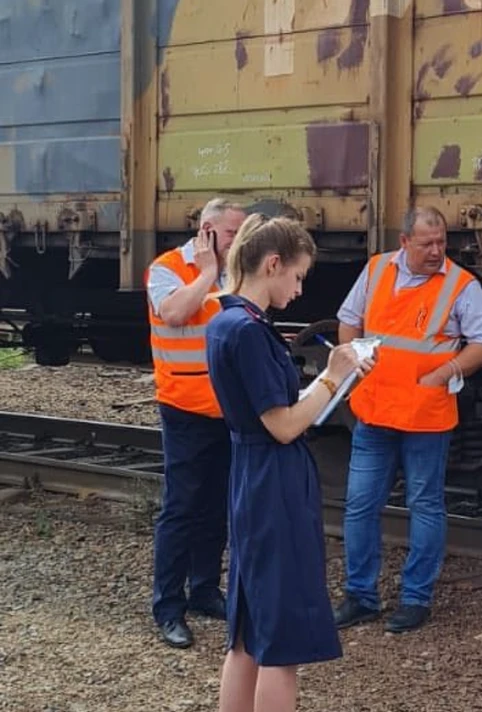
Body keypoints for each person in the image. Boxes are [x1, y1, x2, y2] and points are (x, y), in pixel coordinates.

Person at [205, 214, 375, 712]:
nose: (299, 290)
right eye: (297, 276)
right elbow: (283, 425)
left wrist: (332, 383)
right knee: (283, 642)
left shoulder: (225, 322)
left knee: (247, 630)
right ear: (273, 264)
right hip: (275, 484)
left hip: (249, 479)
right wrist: (332, 375)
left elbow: (271, 414)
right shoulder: (251, 332)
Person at [333, 205, 482, 633]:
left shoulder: (460, 284)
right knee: (360, 505)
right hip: (375, 410)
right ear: (404, 241)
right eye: (426, 243)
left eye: (441, 242)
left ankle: (415, 599)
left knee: (424, 505)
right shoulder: (376, 270)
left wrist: (446, 372)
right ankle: (361, 597)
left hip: (425, 414)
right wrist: (352, 362)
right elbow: (347, 322)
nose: (436, 251)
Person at [145, 197, 246, 648]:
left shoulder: (236, 271)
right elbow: (173, 313)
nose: (238, 241)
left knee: (216, 506)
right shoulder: (166, 268)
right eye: (230, 234)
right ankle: (168, 605)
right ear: (206, 231)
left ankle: (204, 589)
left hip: (227, 408)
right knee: (181, 508)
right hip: (184, 408)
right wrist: (207, 272)